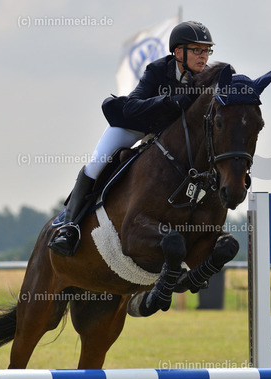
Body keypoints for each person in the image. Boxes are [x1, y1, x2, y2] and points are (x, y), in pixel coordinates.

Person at [49, 21, 215, 256]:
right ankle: (69, 226)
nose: (203, 56)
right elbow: (132, 106)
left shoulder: (206, 78)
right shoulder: (157, 70)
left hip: (166, 136)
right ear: (179, 53)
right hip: (134, 127)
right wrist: (168, 101)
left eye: (206, 50)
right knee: (97, 163)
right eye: (197, 50)